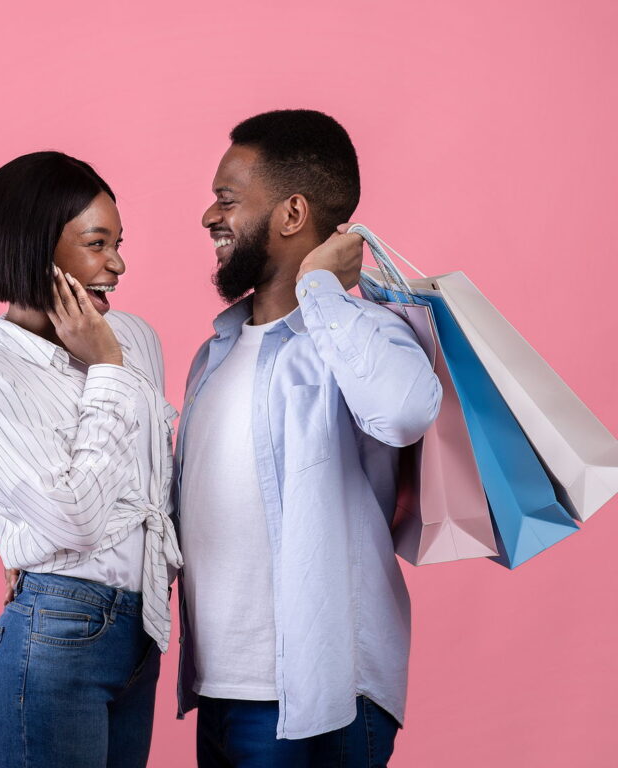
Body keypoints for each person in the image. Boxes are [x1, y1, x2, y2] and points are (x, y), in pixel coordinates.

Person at [174, 110, 443, 767]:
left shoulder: (362, 332)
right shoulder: (213, 355)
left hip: (318, 703)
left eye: (228, 200)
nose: (210, 217)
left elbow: (406, 411)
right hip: (220, 694)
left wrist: (319, 285)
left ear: (292, 213)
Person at [0, 151, 181, 768]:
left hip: (143, 633)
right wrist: (104, 368)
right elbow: (75, 519)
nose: (118, 263)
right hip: (54, 636)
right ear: (36, 250)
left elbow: (156, 489)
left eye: (118, 242)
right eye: (96, 243)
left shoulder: (136, 338)